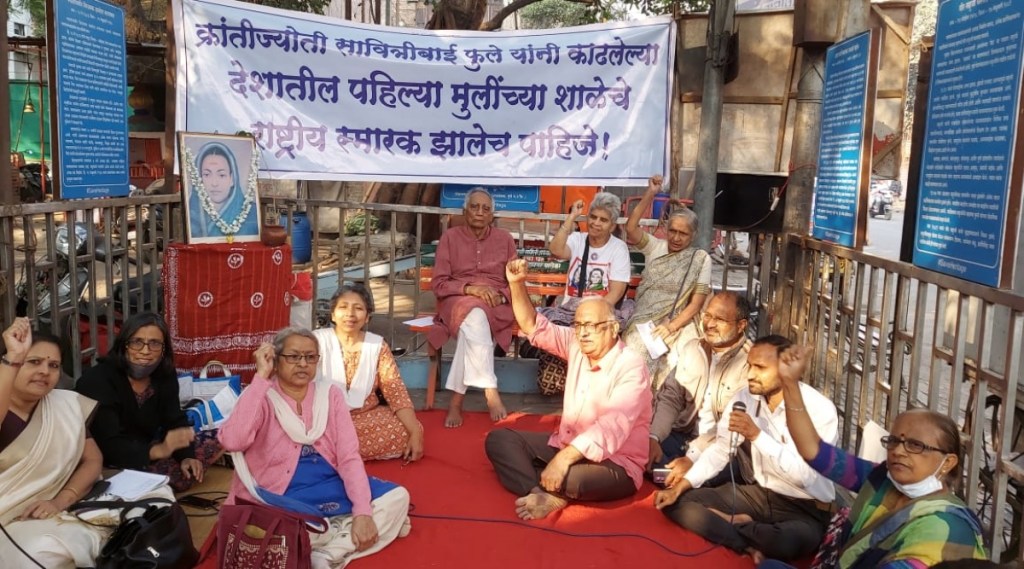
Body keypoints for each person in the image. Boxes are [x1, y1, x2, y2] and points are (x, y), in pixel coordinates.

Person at [755, 345, 986, 568]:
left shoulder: (945, 526)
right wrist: (790, 385)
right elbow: (815, 452)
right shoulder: (882, 479)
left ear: (948, 462)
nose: (898, 450)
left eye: (915, 445)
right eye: (894, 440)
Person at [218, 329, 411, 567]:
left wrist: (362, 511)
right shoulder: (261, 395)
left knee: (398, 497)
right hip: (280, 493)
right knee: (289, 527)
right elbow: (233, 441)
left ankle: (328, 553)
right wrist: (261, 378)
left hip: (330, 483)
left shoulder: (330, 395)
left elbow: (348, 457)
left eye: (310, 357)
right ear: (276, 360)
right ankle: (341, 531)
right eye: (293, 356)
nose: (302, 364)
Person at [484, 259, 651, 520]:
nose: (583, 333)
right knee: (500, 439)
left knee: (572, 478)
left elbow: (612, 426)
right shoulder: (576, 343)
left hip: (616, 462)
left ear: (613, 328)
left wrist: (563, 461)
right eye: (579, 325)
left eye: (592, 326)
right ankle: (541, 492)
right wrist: (517, 284)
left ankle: (549, 485)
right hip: (567, 443)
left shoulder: (631, 365)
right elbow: (533, 327)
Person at [654, 335, 839, 563]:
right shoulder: (745, 398)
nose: (750, 375)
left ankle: (741, 527)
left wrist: (757, 436)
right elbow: (721, 451)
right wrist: (681, 486)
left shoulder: (819, 410)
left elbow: (806, 477)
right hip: (761, 494)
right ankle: (746, 542)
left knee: (785, 542)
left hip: (806, 506)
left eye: (760, 368)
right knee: (678, 503)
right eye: (750, 365)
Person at [0, 318, 106, 568]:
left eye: (54, 365)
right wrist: (14, 356)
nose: (45, 372)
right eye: (34, 362)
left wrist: (59, 502)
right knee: (47, 553)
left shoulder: (64, 405)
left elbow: (93, 460)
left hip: (57, 507)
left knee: (156, 502)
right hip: (8, 520)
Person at [76, 312, 220, 492]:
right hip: (107, 460)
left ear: (163, 349)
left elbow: (174, 419)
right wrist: (159, 451)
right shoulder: (98, 380)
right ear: (124, 345)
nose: (145, 351)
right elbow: (107, 443)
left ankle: (160, 478)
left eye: (154, 343)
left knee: (218, 437)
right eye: (137, 342)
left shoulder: (163, 375)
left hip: (147, 449)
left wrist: (186, 456)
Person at [429, 188, 518, 428]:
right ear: (464, 211)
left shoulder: (505, 239)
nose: (480, 212)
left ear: (492, 215)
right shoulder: (450, 237)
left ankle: (456, 401)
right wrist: (470, 289)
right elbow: (439, 284)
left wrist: (501, 296)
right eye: (474, 207)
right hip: (457, 300)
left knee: (473, 329)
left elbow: (515, 280)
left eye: (485, 208)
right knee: (476, 316)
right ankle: (490, 389)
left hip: (495, 304)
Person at [314, 284, 424, 462]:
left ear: (367, 317)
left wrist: (415, 433)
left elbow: (396, 392)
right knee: (307, 430)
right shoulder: (315, 341)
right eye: (343, 307)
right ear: (333, 314)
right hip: (323, 417)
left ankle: (328, 453)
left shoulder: (377, 346)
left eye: (358, 308)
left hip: (365, 417)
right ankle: (336, 450)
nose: (350, 314)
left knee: (409, 429)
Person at [647, 292, 752, 470]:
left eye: (720, 319)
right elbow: (670, 397)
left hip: (725, 448)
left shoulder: (750, 363)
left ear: (741, 325)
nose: (710, 324)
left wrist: (692, 457)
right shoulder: (693, 349)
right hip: (684, 437)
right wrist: (654, 438)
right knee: (639, 451)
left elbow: (731, 425)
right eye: (707, 315)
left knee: (693, 477)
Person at [623, 174, 711, 383]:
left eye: (683, 234)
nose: (676, 238)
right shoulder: (655, 247)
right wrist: (651, 193)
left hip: (681, 321)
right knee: (635, 351)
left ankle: (672, 409)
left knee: (688, 358)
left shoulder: (700, 259)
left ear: (693, 235)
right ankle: (640, 402)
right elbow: (631, 228)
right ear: (665, 229)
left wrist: (671, 326)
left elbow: (696, 304)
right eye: (672, 231)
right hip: (644, 320)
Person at [545, 191, 633, 325]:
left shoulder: (619, 248)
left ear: (612, 226)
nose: (596, 223)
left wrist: (589, 317)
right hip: (569, 312)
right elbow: (556, 250)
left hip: (600, 314)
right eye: (593, 217)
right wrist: (572, 216)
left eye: (603, 220)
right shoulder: (577, 239)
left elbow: (616, 292)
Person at [187, 141, 258, 240]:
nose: (214, 183)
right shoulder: (189, 213)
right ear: (199, 179)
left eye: (221, 175)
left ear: (232, 179)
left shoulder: (252, 213)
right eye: (207, 175)